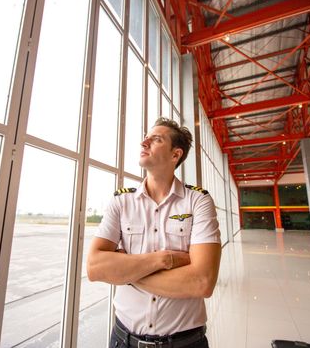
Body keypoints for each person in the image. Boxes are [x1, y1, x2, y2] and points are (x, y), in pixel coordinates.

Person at [87, 117, 221, 348]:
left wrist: (124, 270)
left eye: (156, 139)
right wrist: (163, 260)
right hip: (123, 340)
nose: (144, 142)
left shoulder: (198, 201)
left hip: (185, 343)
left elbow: (202, 282)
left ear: (175, 155)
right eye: (146, 137)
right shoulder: (122, 201)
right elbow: (94, 267)